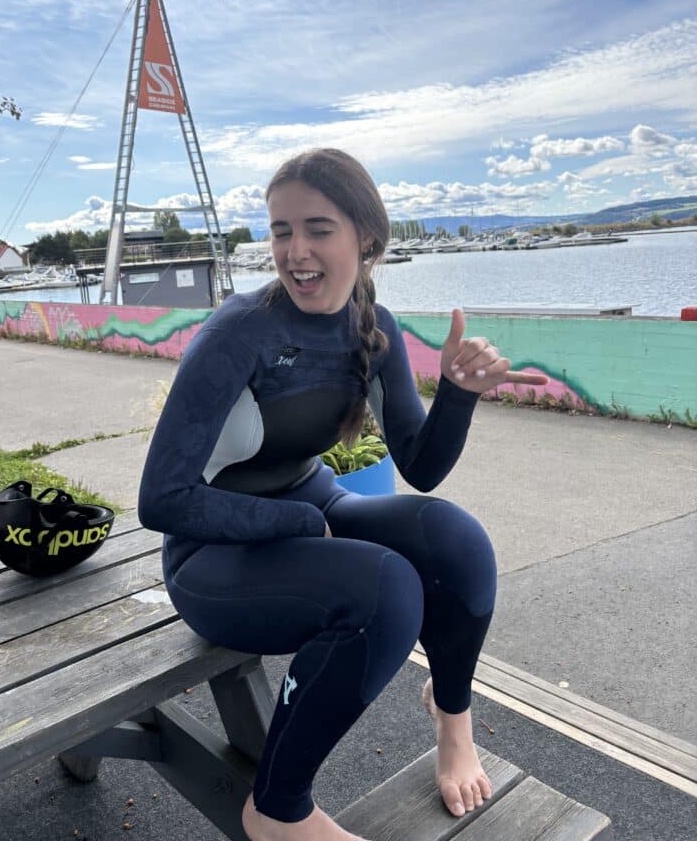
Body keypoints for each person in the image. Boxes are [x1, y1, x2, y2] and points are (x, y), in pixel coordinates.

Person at [138, 148, 549, 841]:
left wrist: (458, 394)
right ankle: (277, 809)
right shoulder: (239, 334)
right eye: (281, 231)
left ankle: (452, 720)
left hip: (311, 508)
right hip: (209, 556)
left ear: (366, 238)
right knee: (385, 592)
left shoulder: (374, 326)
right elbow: (162, 501)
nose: (295, 251)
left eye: (318, 229)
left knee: (457, 542)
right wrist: (298, 522)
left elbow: (422, 468)